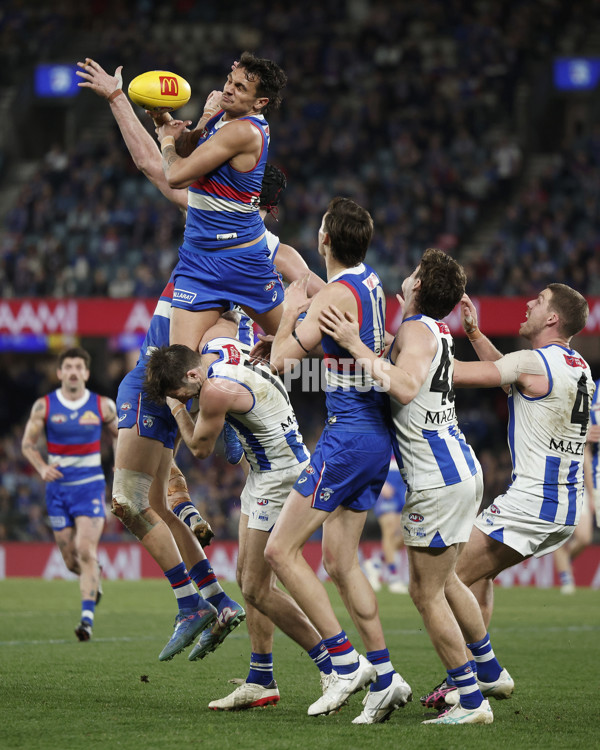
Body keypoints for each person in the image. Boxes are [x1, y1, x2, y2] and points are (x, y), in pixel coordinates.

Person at [75, 58, 322, 661]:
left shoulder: (260, 246)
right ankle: (206, 590)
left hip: (162, 375)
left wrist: (285, 329)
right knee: (149, 497)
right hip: (168, 371)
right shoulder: (208, 209)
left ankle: (199, 600)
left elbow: (174, 168)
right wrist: (119, 100)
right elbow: (154, 165)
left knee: (132, 500)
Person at [320, 248, 510, 726]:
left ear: (420, 286)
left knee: (426, 593)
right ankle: (487, 669)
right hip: (461, 470)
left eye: (414, 273)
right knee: (445, 580)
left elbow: (403, 388)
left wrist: (353, 341)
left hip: (436, 478)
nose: (405, 277)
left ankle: (470, 700)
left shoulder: (416, 329)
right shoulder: (432, 332)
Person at [265, 197, 412, 724]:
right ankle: (386, 676)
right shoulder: (370, 281)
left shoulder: (331, 294)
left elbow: (283, 363)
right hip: (376, 437)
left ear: (325, 240)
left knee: (280, 552)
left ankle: (344, 660)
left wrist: (291, 306)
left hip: (348, 437)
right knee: (340, 562)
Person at [143, 319, 336, 710]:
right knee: (249, 580)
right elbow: (226, 325)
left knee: (256, 587)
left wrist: (177, 408)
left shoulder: (213, 390)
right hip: (267, 469)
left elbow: (198, 448)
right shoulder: (222, 350)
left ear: (194, 373)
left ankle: (334, 666)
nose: (185, 397)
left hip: (279, 476)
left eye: (182, 390)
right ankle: (261, 678)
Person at [420, 282, 594, 707]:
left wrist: (418, 340)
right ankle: (472, 674)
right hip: (564, 505)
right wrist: (476, 335)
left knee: (441, 580)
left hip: (533, 501)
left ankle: (482, 673)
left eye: (538, 302)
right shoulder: (577, 365)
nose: (528, 305)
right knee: (477, 576)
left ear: (552, 318)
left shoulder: (535, 361)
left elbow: (459, 375)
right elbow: (511, 375)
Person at [153, 51, 289, 352]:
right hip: (198, 259)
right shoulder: (224, 113)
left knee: (298, 343)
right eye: (230, 80)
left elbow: (176, 176)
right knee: (178, 366)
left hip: (242, 260)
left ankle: (370, 354)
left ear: (260, 103)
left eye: (240, 87)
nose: (228, 89)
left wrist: (164, 140)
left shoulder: (244, 131)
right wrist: (165, 121)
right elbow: (191, 147)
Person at [21, 347, 118, 641]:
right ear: (60, 373)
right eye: (69, 367)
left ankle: (86, 620)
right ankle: (94, 576)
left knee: (85, 550)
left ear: (86, 374)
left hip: (90, 486)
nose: (74, 372)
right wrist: (40, 467)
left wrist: (119, 466)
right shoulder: (44, 406)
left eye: (79, 367)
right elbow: (27, 444)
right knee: (70, 560)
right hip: (58, 489)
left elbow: (120, 436)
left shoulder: (102, 406)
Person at [554, 378, 599, 593]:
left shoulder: (586, 416)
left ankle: (564, 559)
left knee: (583, 538)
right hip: (570, 481)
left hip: (586, 481)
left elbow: (587, 455)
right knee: (574, 535)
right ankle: (565, 578)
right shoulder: (561, 416)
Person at [363, 455, 409, 595]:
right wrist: (379, 482)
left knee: (406, 534)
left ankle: (375, 563)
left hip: (404, 479)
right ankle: (394, 578)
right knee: (389, 530)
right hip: (386, 476)